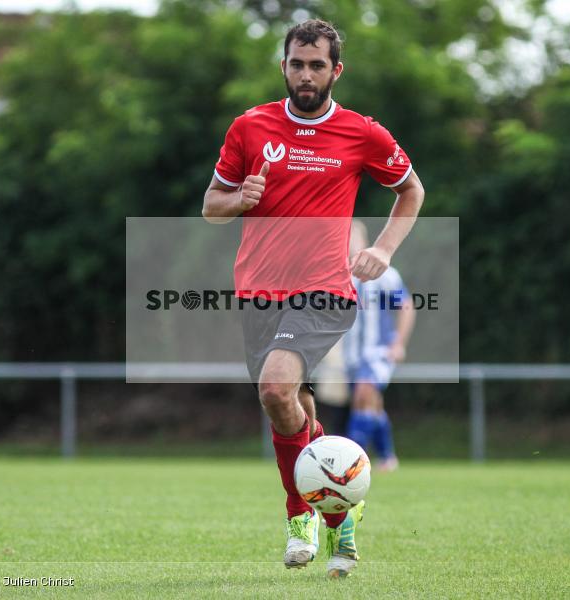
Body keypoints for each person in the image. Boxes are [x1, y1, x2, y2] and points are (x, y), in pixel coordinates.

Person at [202, 20, 424, 577]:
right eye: (297, 64)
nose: (306, 74)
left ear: (335, 71)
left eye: (317, 65)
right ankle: (340, 515)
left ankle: (299, 513)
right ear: (284, 66)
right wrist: (240, 197)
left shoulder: (361, 133)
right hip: (258, 292)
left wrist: (383, 249)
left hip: (324, 290)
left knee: (276, 388)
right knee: (290, 406)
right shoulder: (250, 126)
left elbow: (411, 190)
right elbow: (211, 206)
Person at [343, 220, 415, 473]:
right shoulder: (338, 275)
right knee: (370, 405)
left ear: (363, 241)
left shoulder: (382, 273)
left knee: (364, 394)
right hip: (351, 355)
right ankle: (387, 456)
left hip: (377, 352)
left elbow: (406, 306)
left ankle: (351, 461)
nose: (347, 242)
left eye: (352, 237)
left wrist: (399, 343)